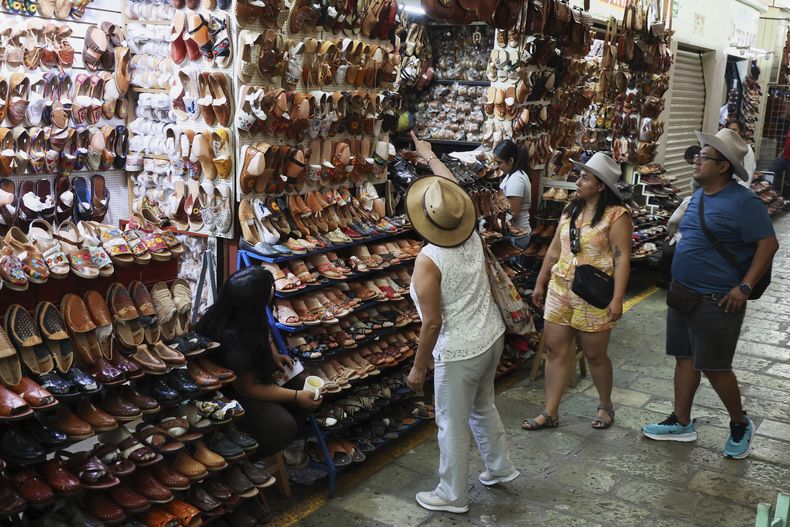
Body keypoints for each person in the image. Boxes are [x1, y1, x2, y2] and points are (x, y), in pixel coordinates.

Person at [642, 128, 778, 459]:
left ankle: (739, 422)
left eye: (705, 157)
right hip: (683, 294)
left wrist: (744, 287)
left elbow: (769, 244)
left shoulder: (745, 202)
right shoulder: (701, 194)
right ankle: (682, 421)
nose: (697, 161)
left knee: (715, 366)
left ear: (723, 166)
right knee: (685, 358)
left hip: (717, 300)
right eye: (699, 155)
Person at [406, 131, 518, 514]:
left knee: (451, 423)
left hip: (458, 351)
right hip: (491, 336)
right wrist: (430, 156)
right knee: (483, 406)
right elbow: (452, 193)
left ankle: (452, 494)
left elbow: (433, 323)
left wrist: (419, 367)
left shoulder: (428, 260)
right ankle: (500, 468)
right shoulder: (468, 230)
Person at [522, 152, 633, 431]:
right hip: (560, 290)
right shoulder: (570, 209)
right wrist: (541, 281)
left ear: (601, 186)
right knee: (556, 350)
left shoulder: (616, 216)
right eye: (579, 176)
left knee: (595, 355)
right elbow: (555, 250)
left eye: (585, 177)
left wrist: (618, 298)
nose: (578, 181)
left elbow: (622, 259)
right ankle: (550, 412)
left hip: (593, 294)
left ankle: (605, 405)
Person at [194, 266, 321, 458]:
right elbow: (249, 389)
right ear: (255, 300)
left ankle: (278, 437)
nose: (273, 288)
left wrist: (273, 354)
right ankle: (245, 458)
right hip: (228, 393)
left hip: (249, 377)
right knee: (284, 424)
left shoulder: (244, 312)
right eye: (269, 286)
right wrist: (296, 396)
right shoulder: (233, 338)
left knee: (308, 386)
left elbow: (261, 331)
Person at [658, 148, 700, 289]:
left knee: (667, 249)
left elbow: (673, 221)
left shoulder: (690, 201)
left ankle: (666, 280)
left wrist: (670, 235)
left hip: (684, 240)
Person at [493, 140, 532, 249]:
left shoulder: (516, 179)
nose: (497, 166)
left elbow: (511, 215)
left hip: (517, 237)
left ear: (510, 160)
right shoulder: (512, 175)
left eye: (500, 162)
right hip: (515, 234)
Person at [770, 127, 790, 197]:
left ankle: (787, 201)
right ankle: (772, 193)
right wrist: (780, 155)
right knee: (772, 171)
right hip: (783, 158)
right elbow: (787, 144)